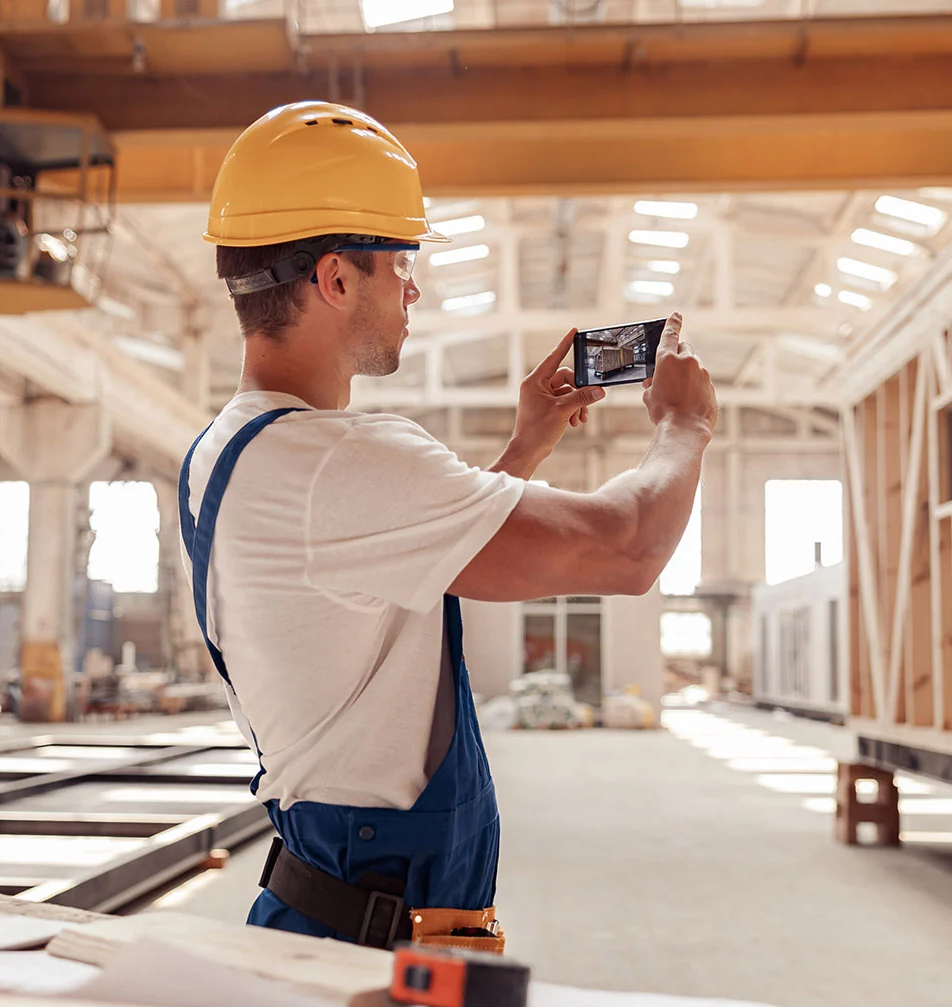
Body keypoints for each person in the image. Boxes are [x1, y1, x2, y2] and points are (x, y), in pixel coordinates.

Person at [179, 101, 716, 950]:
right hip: (368, 928)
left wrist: (524, 446)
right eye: (400, 264)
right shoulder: (341, 461)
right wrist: (684, 426)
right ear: (335, 279)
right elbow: (629, 544)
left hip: (332, 899)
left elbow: (403, 571)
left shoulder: (227, 450)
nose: (414, 288)